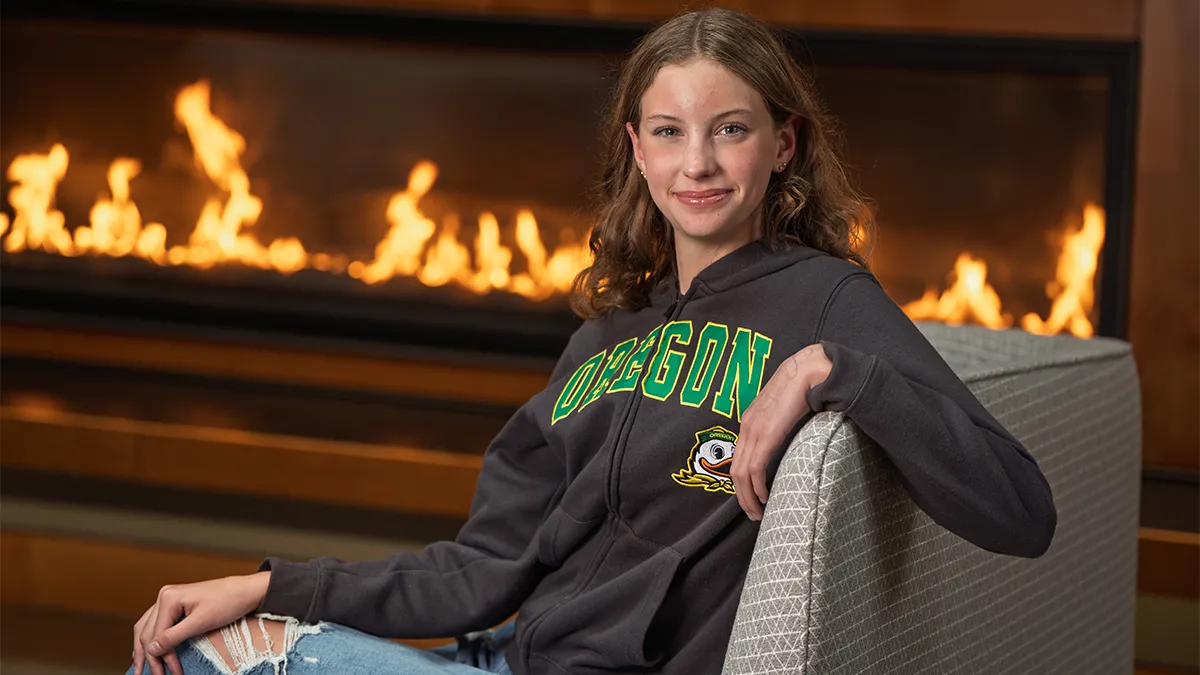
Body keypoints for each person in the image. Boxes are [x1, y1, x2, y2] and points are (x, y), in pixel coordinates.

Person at [129, 7, 1057, 675]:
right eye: (670, 132)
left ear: (783, 144)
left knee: (210, 662)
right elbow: (481, 569)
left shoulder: (824, 304)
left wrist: (832, 371)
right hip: (502, 651)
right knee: (197, 635)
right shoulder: (606, 335)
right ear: (638, 149)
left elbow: (1021, 509)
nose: (697, 163)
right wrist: (268, 586)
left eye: (730, 130)